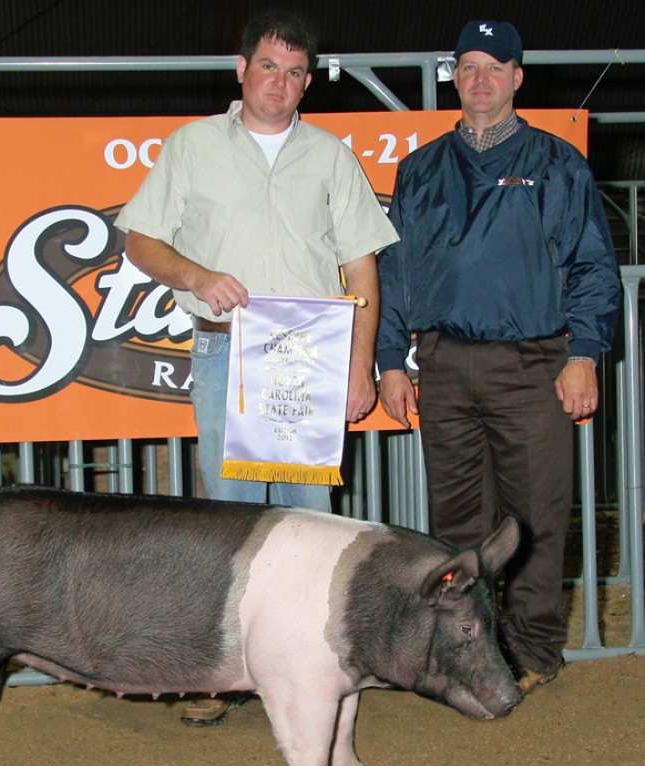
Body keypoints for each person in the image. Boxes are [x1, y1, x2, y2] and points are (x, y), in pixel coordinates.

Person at [115, 11, 398, 724]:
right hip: (226, 350)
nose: (281, 83)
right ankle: (221, 672)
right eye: (269, 66)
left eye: (295, 72)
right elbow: (142, 241)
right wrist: (196, 273)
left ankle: (319, 667)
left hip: (308, 358)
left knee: (310, 522)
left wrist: (360, 365)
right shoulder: (192, 145)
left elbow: (360, 261)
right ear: (241, 69)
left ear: (309, 80)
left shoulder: (332, 156)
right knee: (231, 523)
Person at [376, 20, 620, 695]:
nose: (479, 79)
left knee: (535, 511)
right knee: (456, 520)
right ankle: (465, 647)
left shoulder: (557, 163)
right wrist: (390, 357)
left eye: (494, 67)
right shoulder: (420, 169)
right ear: (456, 77)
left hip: (531, 360)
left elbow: (592, 267)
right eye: (468, 66)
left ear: (517, 77)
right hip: (445, 363)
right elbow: (394, 272)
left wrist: (585, 352)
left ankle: (534, 644)